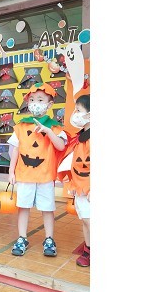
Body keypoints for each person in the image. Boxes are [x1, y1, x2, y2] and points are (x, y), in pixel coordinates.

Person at [7, 83, 67, 257]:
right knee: (23, 207)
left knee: (47, 209)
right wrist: (11, 172)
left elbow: (61, 146)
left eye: (40, 100)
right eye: (32, 100)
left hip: (45, 176)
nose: (35, 103)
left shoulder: (55, 127)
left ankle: (49, 239)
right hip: (24, 175)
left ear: (49, 104)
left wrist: (48, 131)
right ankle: (22, 238)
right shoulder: (21, 126)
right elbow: (15, 150)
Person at [60, 94, 91, 266]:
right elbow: (75, 164)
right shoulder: (79, 139)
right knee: (85, 220)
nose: (75, 114)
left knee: (90, 221)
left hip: (90, 188)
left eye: (78, 110)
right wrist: (72, 183)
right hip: (80, 187)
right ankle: (88, 249)